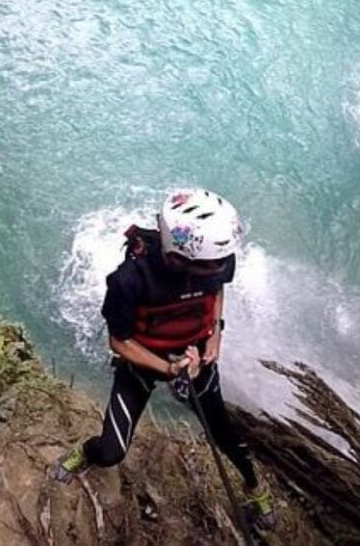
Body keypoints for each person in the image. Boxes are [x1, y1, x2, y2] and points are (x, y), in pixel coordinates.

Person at [54, 189, 275, 530]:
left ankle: (254, 489)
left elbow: (216, 290)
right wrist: (170, 369)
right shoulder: (130, 280)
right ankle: (87, 452)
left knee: (227, 436)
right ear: (178, 257)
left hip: (196, 357)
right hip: (142, 363)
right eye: (209, 265)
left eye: (220, 263)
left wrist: (215, 336)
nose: (219, 269)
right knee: (111, 452)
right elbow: (120, 341)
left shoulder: (216, 262)